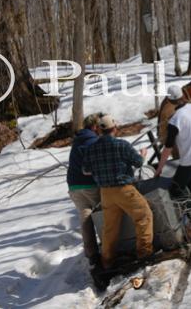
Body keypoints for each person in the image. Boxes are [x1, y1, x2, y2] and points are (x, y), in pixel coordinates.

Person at [82, 114, 154, 269]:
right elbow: (138, 162)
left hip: (106, 193)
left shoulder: (91, 149)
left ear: (99, 131)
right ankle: (144, 254)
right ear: (114, 128)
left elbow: (86, 170)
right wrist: (142, 154)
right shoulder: (122, 145)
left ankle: (107, 260)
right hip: (124, 190)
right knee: (143, 216)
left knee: (110, 228)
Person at [67, 113, 102, 268]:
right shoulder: (94, 141)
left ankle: (92, 254)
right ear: (95, 126)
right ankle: (109, 248)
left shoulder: (77, 141)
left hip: (74, 186)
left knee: (85, 217)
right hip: (90, 185)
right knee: (103, 214)